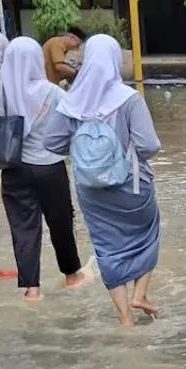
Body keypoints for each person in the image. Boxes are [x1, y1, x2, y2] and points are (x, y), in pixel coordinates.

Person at [41, 34, 162, 327]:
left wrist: (83, 150)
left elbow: (52, 143)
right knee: (148, 231)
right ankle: (140, 294)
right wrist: (123, 152)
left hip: (92, 192)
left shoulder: (72, 101)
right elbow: (149, 145)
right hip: (132, 186)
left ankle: (124, 317)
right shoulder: (129, 99)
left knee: (107, 246)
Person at [0, 36, 89, 301]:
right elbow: (74, 127)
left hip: (13, 169)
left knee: (22, 228)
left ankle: (32, 290)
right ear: (36, 60)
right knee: (61, 224)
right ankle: (72, 276)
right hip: (50, 168)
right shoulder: (53, 92)